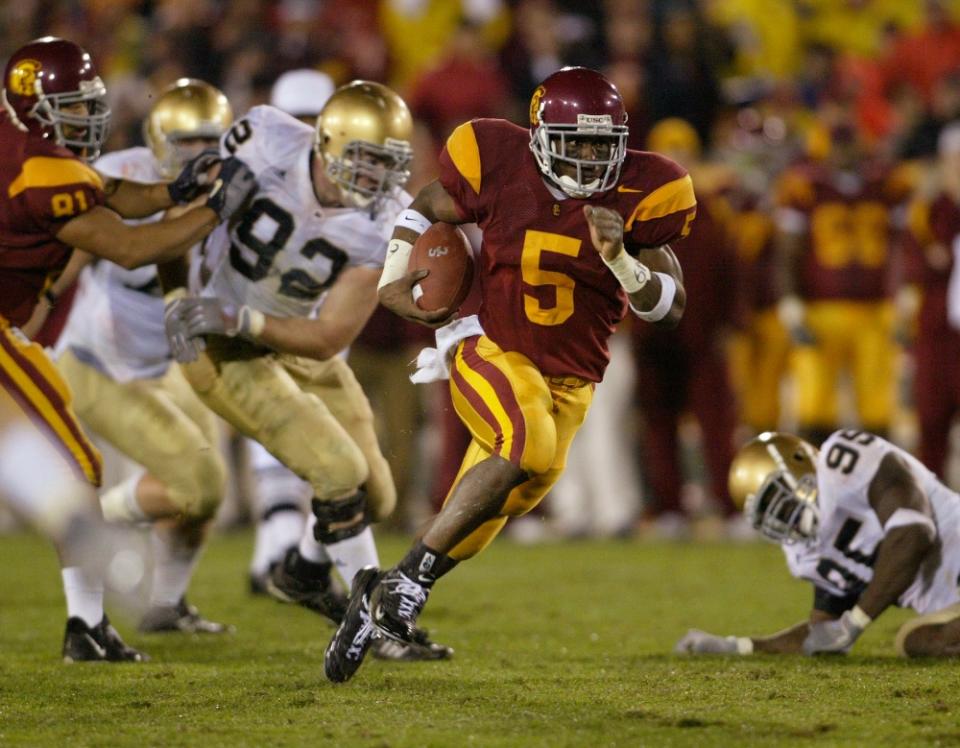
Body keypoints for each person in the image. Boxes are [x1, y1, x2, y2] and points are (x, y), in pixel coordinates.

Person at [325, 65, 695, 682]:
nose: (586, 159)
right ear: (541, 135)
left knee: (505, 496)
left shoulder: (643, 193)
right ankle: (408, 588)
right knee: (524, 442)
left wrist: (623, 260)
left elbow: (670, 307)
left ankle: (379, 591)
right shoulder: (497, 159)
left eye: (600, 146)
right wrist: (392, 278)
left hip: (571, 381)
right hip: (488, 345)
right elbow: (424, 205)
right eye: (574, 143)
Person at [162, 80, 451, 662]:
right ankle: (376, 624)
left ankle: (302, 572)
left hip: (282, 333)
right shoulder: (266, 137)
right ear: (328, 142)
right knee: (338, 470)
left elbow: (327, 337)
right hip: (216, 342)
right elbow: (179, 208)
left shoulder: (386, 218)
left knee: (378, 492)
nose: (373, 176)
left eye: (386, 164)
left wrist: (241, 314)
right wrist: (175, 294)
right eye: (364, 159)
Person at [0, 36, 255, 661]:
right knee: (75, 462)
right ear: (37, 109)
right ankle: (85, 628)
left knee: (74, 462)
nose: (89, 117)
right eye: (74, 107)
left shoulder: (30, 152)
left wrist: (175, 189)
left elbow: (110, 190)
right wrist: (215, 207)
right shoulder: (39, 172)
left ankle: (86, 627)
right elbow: (135, 246)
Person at [53, 78, 235, 634]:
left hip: (173, 364)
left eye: (209, 141)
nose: (197, 155)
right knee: (196, 484)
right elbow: (64, 272)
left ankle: (166, 604)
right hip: (102, 364)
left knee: (206, 496)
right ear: (157, 141)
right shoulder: (122, 178)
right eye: (184, 143)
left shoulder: (239, 186)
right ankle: (87, 524)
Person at [675, 430, 960, 657]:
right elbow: (822, 634)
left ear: (801, 461)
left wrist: (856, 622)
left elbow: (913, 532)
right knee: (920, 642)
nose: (787, 520)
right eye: (771, 516)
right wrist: (737, 646)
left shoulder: (844, 460)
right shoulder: (804, 554)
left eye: (781, 502)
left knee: (917, 640)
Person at [774, 116, 913, 445]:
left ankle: (879, 490)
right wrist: (790, 300)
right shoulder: (806, 186)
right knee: (814, 407)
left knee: (879, 410)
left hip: (874, 310)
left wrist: (906, 290)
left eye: (848, 144)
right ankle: (817, 484)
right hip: (822, 310)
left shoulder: (887, 184)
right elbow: (787, 250)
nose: (843, 152)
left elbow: (904, 245)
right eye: (837, 145)